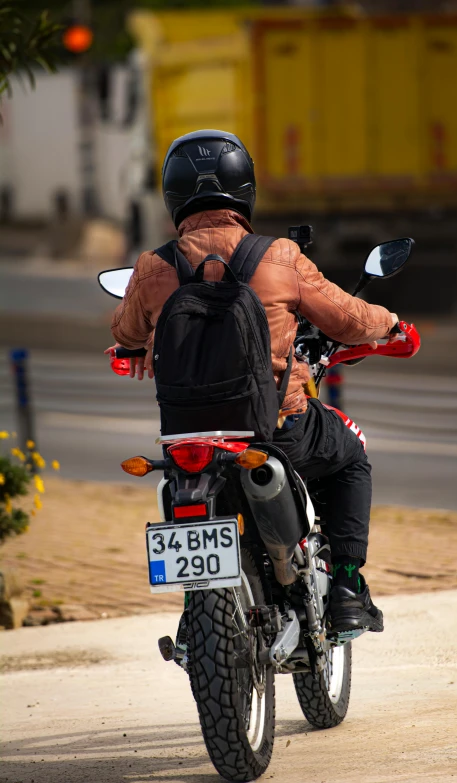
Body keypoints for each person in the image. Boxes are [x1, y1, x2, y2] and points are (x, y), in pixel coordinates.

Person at [108, 129, 398, 633]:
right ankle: (348, 588)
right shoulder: (279, 256)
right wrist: (392, 323)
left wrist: (137, 342)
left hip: (187, 441)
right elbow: (348, 320)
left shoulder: (153, 266)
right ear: (245, 188)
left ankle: (195, 613)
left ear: (173, 196)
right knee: (350, 453)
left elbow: (126, 331)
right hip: (274, 431)